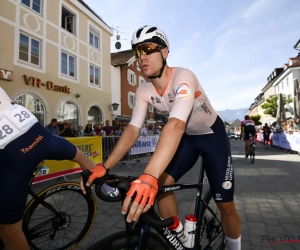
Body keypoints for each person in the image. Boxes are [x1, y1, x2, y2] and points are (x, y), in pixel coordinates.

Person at [83, 25, 241, 250]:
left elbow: (175, 124)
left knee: (225, 205)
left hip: (211, 136)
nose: (142, 57)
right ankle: (179, 239)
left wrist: (148, 175)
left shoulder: (183, 77)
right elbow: (133, 129)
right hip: (188, 138)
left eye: (148, 48)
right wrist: (105, 166)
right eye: (138, 52)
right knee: (162, 187)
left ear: (165, 52)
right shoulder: (143, 90)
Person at [0, 87, 98, 250]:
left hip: (13, 153)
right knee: (80, 155)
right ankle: (104, 184)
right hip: (40, 136)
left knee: (10, 233)